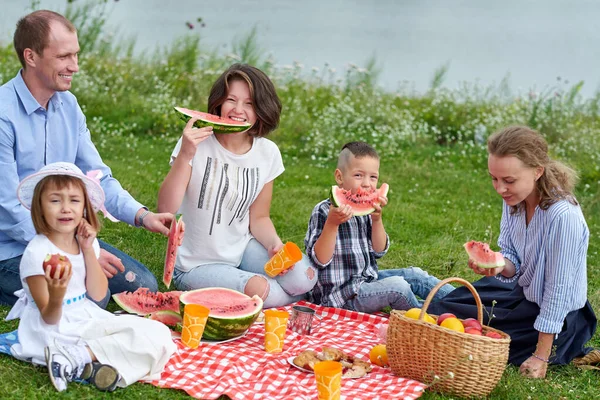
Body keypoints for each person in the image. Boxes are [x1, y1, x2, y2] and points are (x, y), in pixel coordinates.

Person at [0, 10, 174, 307]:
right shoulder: (3, 114)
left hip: (67, 235)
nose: (75, 67)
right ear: (31, 56)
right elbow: (8, 209)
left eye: (76, 55)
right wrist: (83, 253)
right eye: (64, 57)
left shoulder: (68, 106)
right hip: (12, 248)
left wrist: (143, 216)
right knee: (93, 296)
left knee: (143, 284)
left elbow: (97, 177)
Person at [427, 126, 597, 379]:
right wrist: (499, 266)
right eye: (494, 178)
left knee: (485, 344)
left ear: (537, 171)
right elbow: (512, 257)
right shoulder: (515, 199)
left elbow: (557, 291)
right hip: (521, 294)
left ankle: (564, 348)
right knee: (442, 309)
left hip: (560, 315)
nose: (499, 189)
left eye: (508, 180)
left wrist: (540, 356)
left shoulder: (563, 218)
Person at [5, 162, 176, 392]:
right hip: (51, 332)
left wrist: (87, 250)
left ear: (85, 207)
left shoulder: (87, 243)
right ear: (40, 207)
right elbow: (48, 318)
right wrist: (56, 294)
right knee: (142, 343)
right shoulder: (37, 255)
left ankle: (77, 359)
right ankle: (82, 358)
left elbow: (97, 293)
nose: (66, 208)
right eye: (55, 201)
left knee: (160, 334)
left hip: (84, 317)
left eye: (74, 201)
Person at [157, 63, 317, 308]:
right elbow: (165, 209)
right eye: (231, 99)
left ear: (261, 108)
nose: (238, 110)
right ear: (219, 102)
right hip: (194, 266)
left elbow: (260, 217)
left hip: (241, 251)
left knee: (304, 277)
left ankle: (281, 297)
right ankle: (285, 300)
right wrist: (185, 155)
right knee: (263, 290)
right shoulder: (195, 143)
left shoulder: (268, 152)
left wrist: (274, 244)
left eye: (250, 103)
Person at [304, 141, 454, 313]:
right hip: (340, 297)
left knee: (416, 275)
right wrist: (332, 224)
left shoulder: (368, 211)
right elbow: (319, 259)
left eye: (373, 177)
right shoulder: (323, 211)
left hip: (367, 281)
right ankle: (430, 319)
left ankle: (469, 303)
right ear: (339, 177)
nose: (367, 184)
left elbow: (379, 251)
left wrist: (377, 221)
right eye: (358, 175)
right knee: (398, 287)